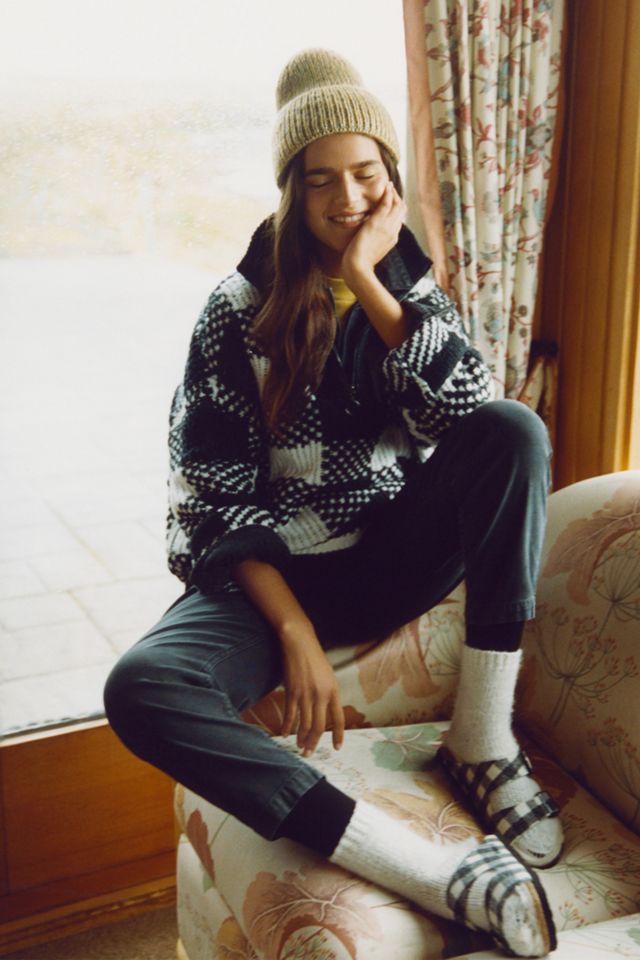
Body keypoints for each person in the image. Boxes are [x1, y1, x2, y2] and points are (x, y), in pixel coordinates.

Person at [104, 48, 563, 957]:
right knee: (141, 687)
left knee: (514, 428)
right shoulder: (234, 311)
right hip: (274, 577)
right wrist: (294, 632)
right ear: (291, 190)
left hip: (391, 554)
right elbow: (211, 501)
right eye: (321, 180)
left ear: (389, 178)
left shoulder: (408, 287)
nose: (346, 197)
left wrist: (370, 279)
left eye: (364, 174)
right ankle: (430, 872)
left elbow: (470, 417)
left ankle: (481, 739)